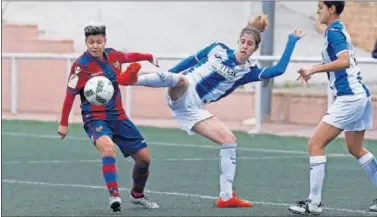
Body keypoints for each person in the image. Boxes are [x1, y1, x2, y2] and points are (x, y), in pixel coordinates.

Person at [132, 15, 305, 208]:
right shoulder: (217, 49)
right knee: (181, 79)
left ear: (255, 49)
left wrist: (291, 41)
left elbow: (279, 69)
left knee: (229, 140)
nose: (245, 46)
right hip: (180, 90)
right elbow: (189, 61)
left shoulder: (247, 72)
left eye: (250, 44)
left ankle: (226, 196)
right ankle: (131, 80)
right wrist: (167, 77)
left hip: (193, 108)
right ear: (238, 42)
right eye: (243, 42)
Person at [57, 22, 160, 212]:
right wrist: (64, 123)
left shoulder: (113, 55)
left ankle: (137, 195)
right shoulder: (81, 66)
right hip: (94, 118)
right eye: (90, 42)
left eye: (98, 41)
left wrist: (149, 57)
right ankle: (114, 196)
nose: (95, 46)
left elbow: (129, 57)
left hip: (119, 117)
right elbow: (70, 94)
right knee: (108, 149)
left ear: (105, 41)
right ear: (86, 43)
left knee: (144, 160)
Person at [288, 1, 376, 215]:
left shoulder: (334, 32)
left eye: (321, 6)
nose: (317, 10)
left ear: (332, 9)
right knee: (355, 148)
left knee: (315, 144)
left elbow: (344, 61)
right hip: (358, 95)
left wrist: (313, 69)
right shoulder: (336, 30)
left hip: (350, 98)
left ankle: (313, 203)